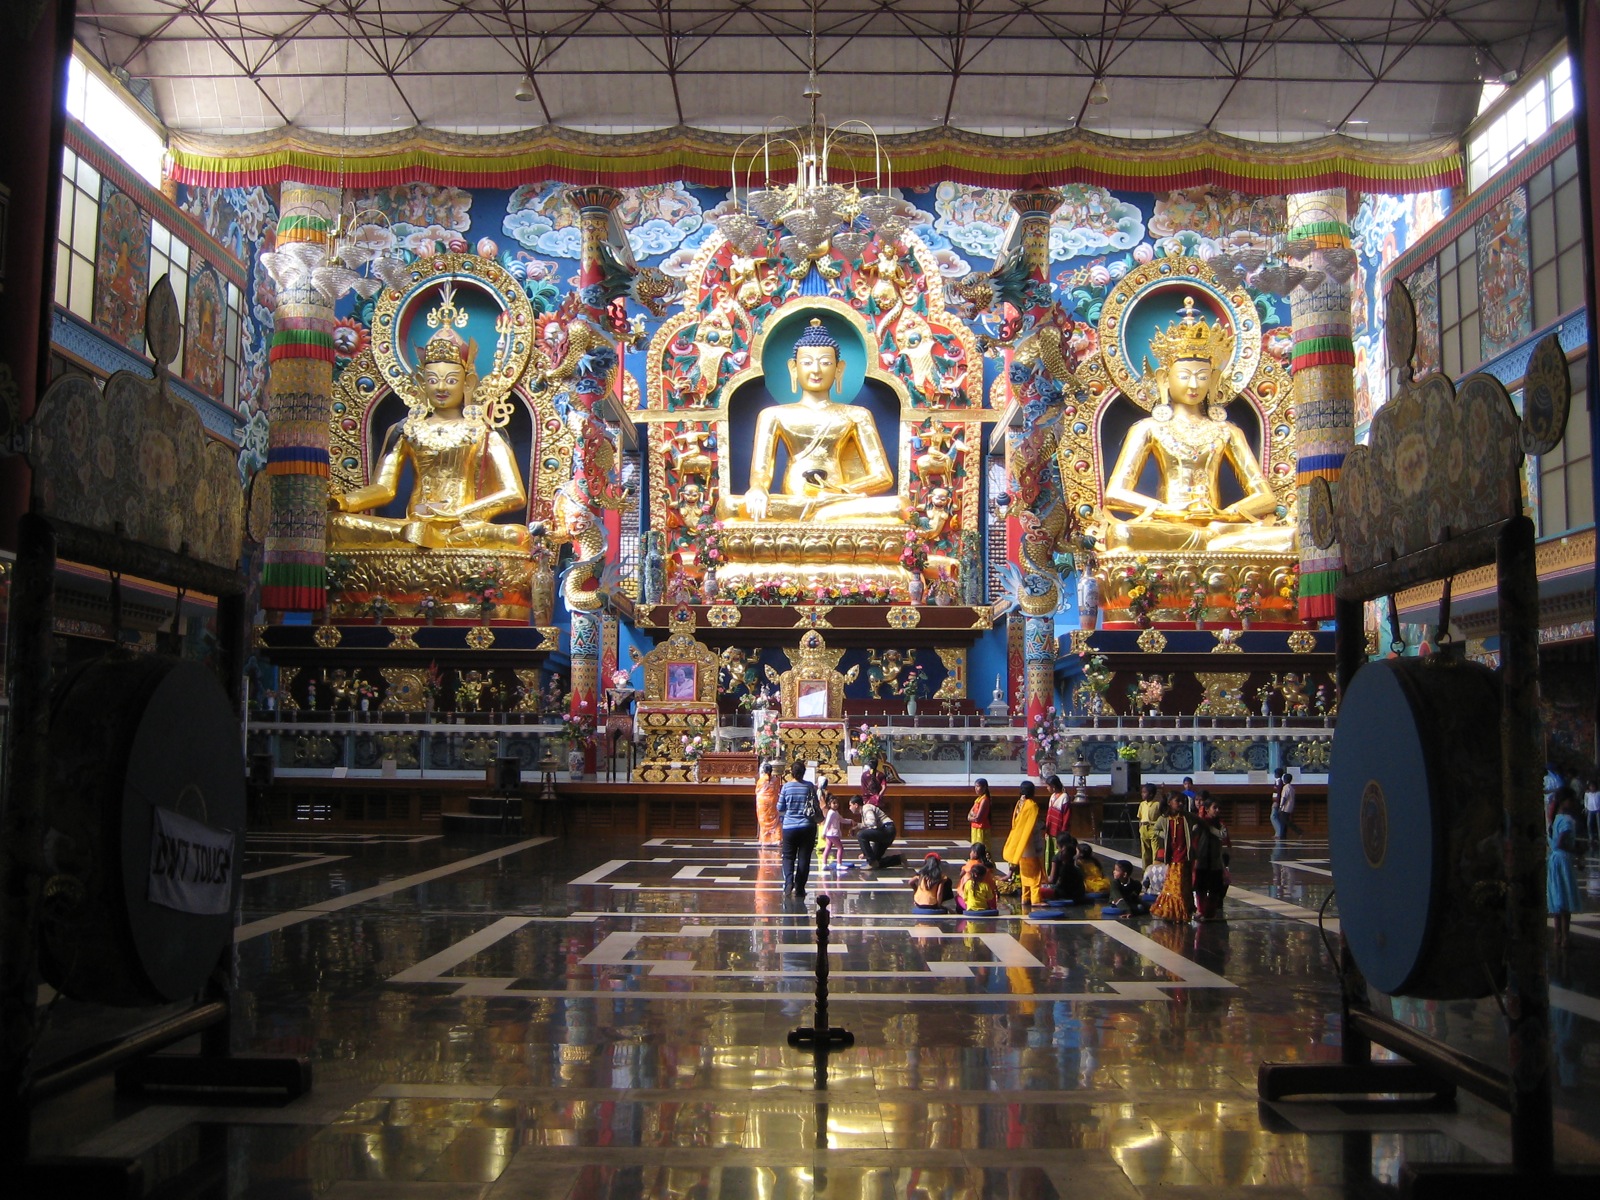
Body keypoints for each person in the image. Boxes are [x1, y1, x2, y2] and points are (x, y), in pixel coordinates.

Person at [776, 761, 820, 897]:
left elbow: (780, 807)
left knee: (788, 856)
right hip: (807, 826)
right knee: (804, 858)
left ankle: (789, 882)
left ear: (791, 772)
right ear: (804, 772)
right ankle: (800, 887)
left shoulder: (786, 787)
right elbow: (816, 805)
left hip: (789, 827)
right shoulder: (809, 786)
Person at [1151, 794, 1196, 922]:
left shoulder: (1187, 817)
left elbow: (1200, 823)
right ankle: (1173, 912)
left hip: (1185, 856)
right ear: (1170, 802)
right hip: (1173, 857)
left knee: (1184, 885)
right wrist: (1166, 835)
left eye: (1183, 801)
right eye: (1178, 801)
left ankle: (1183, 912)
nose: (1181, 804)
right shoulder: (1165, 819)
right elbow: (1156, 829)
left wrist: (1193, 833)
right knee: (1175, 885)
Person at [1002, 781, 1046, 910]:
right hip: (1029, 841)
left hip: (1020, 842)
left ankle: (1025, 897)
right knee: (1035, 873)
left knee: (1025, 872)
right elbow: (1033, 824)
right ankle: (1036, 899)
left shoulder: (1019, 803)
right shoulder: (1031, 805)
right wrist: (1043, 825)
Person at [1549, 789, 1582, 949]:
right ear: (1564, 801)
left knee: (1557, 898)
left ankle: (1557, 936)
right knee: (1565, 899)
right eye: (1571, 800)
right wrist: (1576, 851)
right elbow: (1562, 842)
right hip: (1563, 860)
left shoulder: (1556, 819)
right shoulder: (1568, 821)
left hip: (1554, 860)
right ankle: (1566, 937)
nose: (1573, 803)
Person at [1191, 798, 1231, 921]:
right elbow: (1192, 834)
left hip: (1215, 862)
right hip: (1202, 860)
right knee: (1201, 888)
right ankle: (1201, 911)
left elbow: (1223, 835)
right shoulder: (1200, 823)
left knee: (1215, 888)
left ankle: (1209, 911)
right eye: (1215, 808)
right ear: (1207, 809)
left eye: (1219, 808)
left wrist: (1208, 827)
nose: (1217, 810)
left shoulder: (1220, 824)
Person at [852, 795, 896, 868]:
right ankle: (898, 859)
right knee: (876, 862)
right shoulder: (863, 812)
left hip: (887, 830)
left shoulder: (866, 808)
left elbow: (872, 823)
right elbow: (872, 833)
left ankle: (872, 862)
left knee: (860, 834)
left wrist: (858, 826)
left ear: (856, 805)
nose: (850, 808)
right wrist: (866, 852)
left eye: (850, 805)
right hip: (885, 831)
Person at [1044, 775, 1073, 865]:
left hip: (1059, 831)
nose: (1047, 788)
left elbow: (1066, 816)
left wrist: (1063, 832)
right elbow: (1049, 815)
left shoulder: (1064, 797)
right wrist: (1046, 830)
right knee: (1049, 852)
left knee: (1058, 853)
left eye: (1048, 786)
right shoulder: (1052, 796)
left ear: (1053, 786)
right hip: (1050, 830)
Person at [754, 762, 781, 849]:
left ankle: (765, 840)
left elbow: (757, 791)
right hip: (773, 801)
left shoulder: (761, 781)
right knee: (774, 820)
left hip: (762, 802)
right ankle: (776, 839)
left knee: (763, 820)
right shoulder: (776, 780)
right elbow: (777, 790)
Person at [1136, 784, 1163, 868]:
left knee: (1155, 850)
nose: (1142, 794)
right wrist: (1140, 828)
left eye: (1144, 792)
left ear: (1151, 794)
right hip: (1144, 828)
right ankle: (1145, 869)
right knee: (1145, 851)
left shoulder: (1157, 804)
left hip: (1153, 827)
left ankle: (1155, 868)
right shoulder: (1142, 804)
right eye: (1142, 792)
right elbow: (1140, 817)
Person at [818, 792, 845, 873]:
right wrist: (823, 833)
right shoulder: (831, 813)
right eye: (834, 803)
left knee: (828, 847)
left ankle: (824, 864)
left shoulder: (835, 812)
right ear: (829, 804)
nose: (836, 804)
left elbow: (841, 819)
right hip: (832, 834)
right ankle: (839, 864)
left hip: (830, 834)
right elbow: (827, 823)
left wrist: (850, 821)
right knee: (840, 848)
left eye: (837, 803)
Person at [1271, 770, 1297, 839]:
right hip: (1285, 806)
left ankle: (1279, 833)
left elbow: (1282, 796)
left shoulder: (1282, 785)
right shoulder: (1289, 787)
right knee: (1283, 820)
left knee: (1276, 817)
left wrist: (1278, 804)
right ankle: (1281, 834)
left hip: (1283, 806)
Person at [967, 778, 992, 847]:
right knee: (975, 848)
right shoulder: (978, 799)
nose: (976, 788)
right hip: (974, 827)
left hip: (981, 828)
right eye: (975, 786)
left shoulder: (984, 800)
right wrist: (972, 816)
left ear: (984, 788)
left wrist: (972, 817)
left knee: (981, 848)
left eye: (978, 786)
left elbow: (978, 818)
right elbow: (969, 814)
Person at [1585, 778, 1600, 851]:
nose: (1592, 788)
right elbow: (1586, 801)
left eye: (1593, 786)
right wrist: (1586, 808)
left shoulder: (1598, 793)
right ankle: (1591, 837)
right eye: (1591, 786)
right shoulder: (1587, 794)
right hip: (1590, 810)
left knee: (1598, 824)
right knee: (1589, 824)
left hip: (1598, 810)